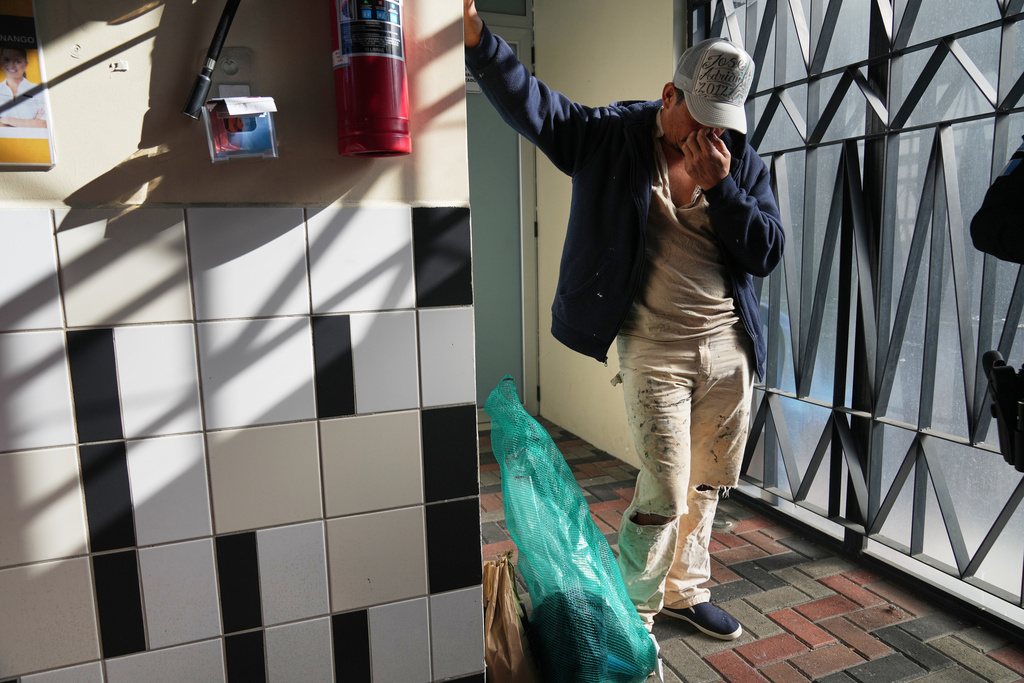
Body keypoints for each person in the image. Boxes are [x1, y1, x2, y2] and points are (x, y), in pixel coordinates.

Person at [464, 0, 784, 645]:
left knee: (707, 486)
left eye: (724, 126)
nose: (711, 137)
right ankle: (633, 611)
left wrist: (722, 188)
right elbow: (535, 106)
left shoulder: (739, 160)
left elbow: (768, 252)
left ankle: (686, 593)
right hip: (653, 348)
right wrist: (477, 39)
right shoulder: (610, 136)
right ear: (670, 94)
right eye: (701, 119)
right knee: (664, 489)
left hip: (728, 347)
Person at [0, 45, 48, 128]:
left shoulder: (37, 89)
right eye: (6, 60)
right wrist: (32, 123)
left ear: (26, 64)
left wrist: (7, 120)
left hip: (32, 140)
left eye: (17, 61)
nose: (11, 65)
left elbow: (44, 124)